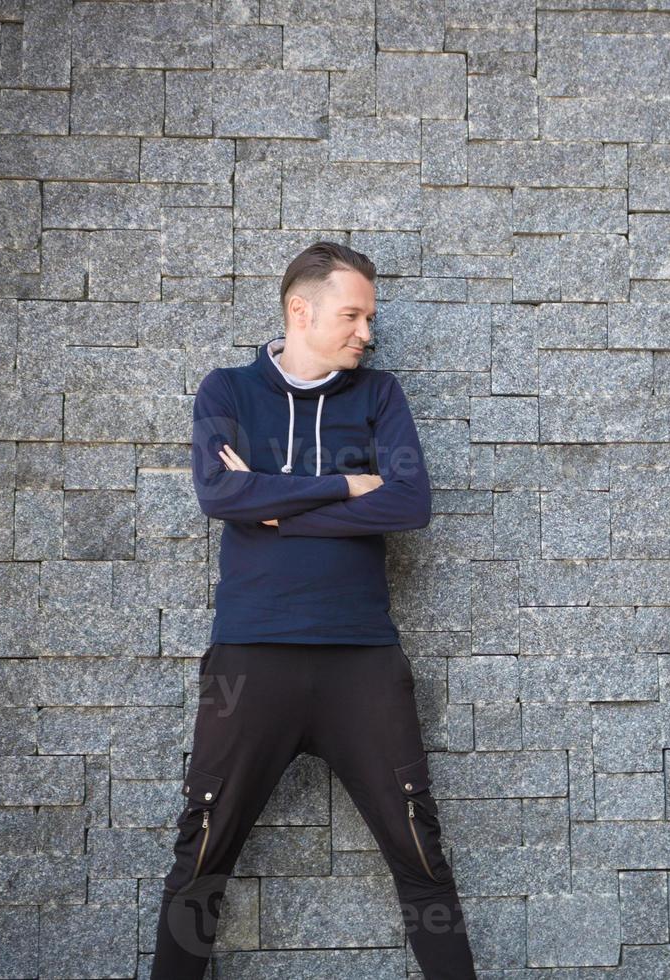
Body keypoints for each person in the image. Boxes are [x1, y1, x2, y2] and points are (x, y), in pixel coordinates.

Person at [151, 241, 478, 979]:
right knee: (200, 855)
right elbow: (218, 496)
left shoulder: (379, 395)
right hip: (250, 660)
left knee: (421, 853)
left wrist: (271, 503)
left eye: (370, 317)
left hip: (362, 662)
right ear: (301, 310)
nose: (367, 332)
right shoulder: (227, 391)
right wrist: (345, 486)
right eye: (353, 314)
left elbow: (411, 502)